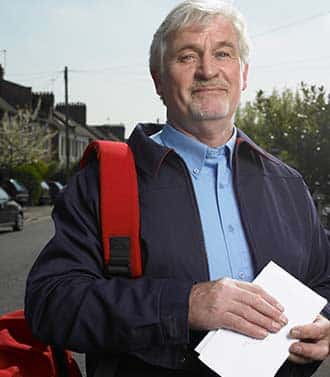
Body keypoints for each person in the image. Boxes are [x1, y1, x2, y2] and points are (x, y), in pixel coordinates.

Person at [25, 1, 330, 376]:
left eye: (223, 53)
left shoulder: (287, 184)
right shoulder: (104, 183)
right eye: (187, 57)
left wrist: (325, 322)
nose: (208, 70)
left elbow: (323, 279)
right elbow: (51, 304)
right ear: (158, 80)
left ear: (243, 73)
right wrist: (185, 305)